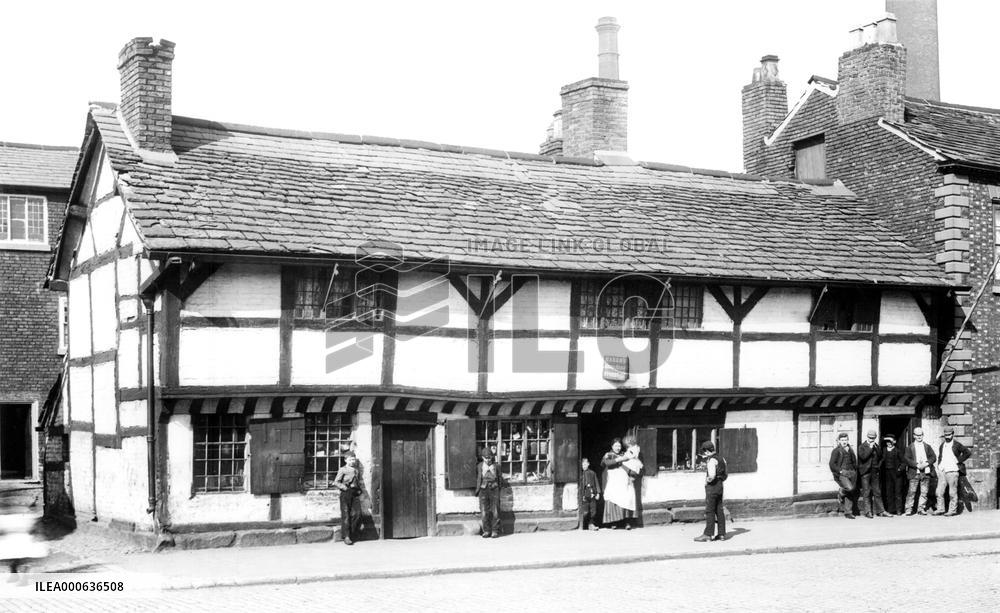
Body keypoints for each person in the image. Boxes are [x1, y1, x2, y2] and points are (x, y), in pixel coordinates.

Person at [694, 441, 727, 542]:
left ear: (707, 451)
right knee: (719, 510)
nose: (705, 454)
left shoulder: (711, 460)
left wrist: (707, 481)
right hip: (720, 486)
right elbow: (726, 474)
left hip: (712, 488)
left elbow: (712, 475)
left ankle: (708, 534)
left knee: (710, 510)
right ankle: (721, 534)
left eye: (705, 452)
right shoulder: (722, 459)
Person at [935, 427, 972, 516]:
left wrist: (959, 460)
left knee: (952, 492)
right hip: (943, 470)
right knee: (939, 492)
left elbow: (967, 452)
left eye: (949, 435)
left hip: (953, 470)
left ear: (952, 434)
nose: (947, 437)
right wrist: (939, 465)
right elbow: (940, 456)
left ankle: (952, 510)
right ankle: (940, 509)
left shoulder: (957, 445)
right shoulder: (942, 445)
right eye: (945, 435)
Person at [601, 438, 637, 530]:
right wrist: (620, 459)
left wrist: (631, 474)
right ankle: (614, 522)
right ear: (612, 446)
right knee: (613, 498)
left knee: (626, 498)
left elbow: (628, 465)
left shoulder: (625, 454)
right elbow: (606, 463)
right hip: (612, 480)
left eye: (619, 445)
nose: (618, 447)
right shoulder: (608, 455)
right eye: (616, 445)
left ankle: (627, 522)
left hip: (623, 479)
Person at [903, 427, 937, 515]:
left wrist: (926, 463)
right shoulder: (910, 447)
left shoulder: (927, 446)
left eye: (921, 435)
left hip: (926, 472)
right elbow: (907, 459)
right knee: (911, 492)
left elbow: (933, 457)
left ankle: (921, 509)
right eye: (917, 435)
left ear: (923, 435)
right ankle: (908, 509)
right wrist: (916, 465)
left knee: (924, 492)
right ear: (914, 436)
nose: (919, 437)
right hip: (914, 472)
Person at [333, 451, 364, 545]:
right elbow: (336, 482)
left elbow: (358, 481)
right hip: (345, 493)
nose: (352, 461)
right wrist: (344, 488)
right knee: (346, 515)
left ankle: (351, 533)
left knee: (357, 513)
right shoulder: (342, 470)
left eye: (353, 459)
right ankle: (346, 536)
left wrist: (359, 490)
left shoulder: (357, 470)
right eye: (350, 459)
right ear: (345, 460)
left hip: (355, 494)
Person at [857, 429, 890, 518]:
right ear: (867, 437)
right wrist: (871, 448)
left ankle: (881, 511)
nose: (871, 439)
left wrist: (878, 466)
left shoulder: (877, 446)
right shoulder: (862, 446)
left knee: (877, 492)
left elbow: (881, 457)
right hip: (865, 472)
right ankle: (868, 512)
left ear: (875, 438)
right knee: (866, 492)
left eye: (873, 438)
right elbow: (863, 457)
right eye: (870, 438)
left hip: (875, 472)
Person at [829, 432, 858, 519]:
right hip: (843, 473)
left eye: (845, 440)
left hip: (852, 473)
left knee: (851, 492)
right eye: (842, 440)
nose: (844, 442)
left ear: (848, 440)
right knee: (849, 488)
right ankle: (841, 491)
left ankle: (848, 512)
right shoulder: (836, 451)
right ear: (839, 441)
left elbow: (854, 461)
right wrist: (840, 471)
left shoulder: (850, 449)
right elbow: (832, 464)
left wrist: (855, 471)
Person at [475, 447, 502, 538]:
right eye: (486, 458)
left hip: (494, 488)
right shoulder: (479, 466)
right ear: (482, 457)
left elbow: (499, 478)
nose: (488, 459)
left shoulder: (496, 466)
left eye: (490, 457)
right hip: (483, 489)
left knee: (495, 510)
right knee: (484, 511)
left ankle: (495, 530)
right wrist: (478, 489)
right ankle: (486, 530)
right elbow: (478, 477)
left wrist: (498, 488)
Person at [881, 434, 906, 515]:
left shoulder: (898, 451)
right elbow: (881, 460)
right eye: (887, 442)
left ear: (894, 442)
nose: (888, 443)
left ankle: (898, 509)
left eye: (890, 441)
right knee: (889, 491)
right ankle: (890, 509)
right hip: (887, 474)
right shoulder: (884, 450)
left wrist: (899, 469)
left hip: (896, 474)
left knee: (898, 492)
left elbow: (904, 462)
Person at [579, 457, 601, 530]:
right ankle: (583, 525)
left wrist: (597, 492)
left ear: (588, 464)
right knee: (585, 511)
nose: (584, 465)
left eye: (586, 463)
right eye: (583, 464)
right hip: (584, 494)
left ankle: (591, 524)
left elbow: (596, 482)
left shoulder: (592, 473)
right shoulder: (579, 474)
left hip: (592, 494)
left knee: (593, 510)